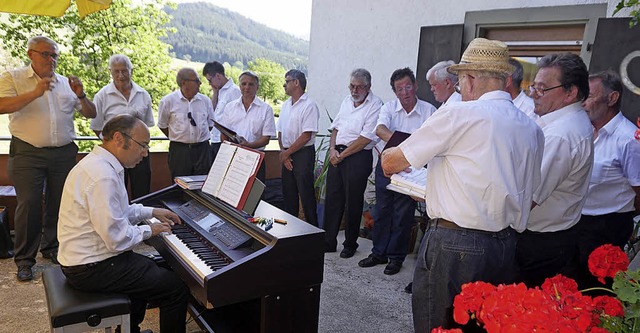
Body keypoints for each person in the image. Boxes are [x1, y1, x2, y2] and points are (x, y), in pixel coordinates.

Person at [381, 38, 543, 332]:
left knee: (438, 324)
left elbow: (390, 163)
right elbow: (531, 193)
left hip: (455, 244)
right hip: (506, 245)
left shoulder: (459, 114)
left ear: (468, 80)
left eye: (458, 82)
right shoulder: (532, 128)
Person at [58, 114, 189, 333]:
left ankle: (130, 330)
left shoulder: (100, 165)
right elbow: (117, 240)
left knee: (153, 268)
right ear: (119, 139)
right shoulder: (102, 176)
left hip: (88, 260)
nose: (145, 153)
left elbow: (120, 211)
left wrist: (152, 211)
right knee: (175, 289)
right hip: (91, 267)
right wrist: (150, 229)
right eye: (142, 145)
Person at [0, 36, 97, 282]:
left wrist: (82, 94)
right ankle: (24, 260)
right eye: (46, 54)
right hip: (27, 151)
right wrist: (35, 92)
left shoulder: (66, 83)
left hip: (63, 153)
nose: (51, 60)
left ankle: (52, 247)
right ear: (31, 54)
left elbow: (91, 113)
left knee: (60, 202)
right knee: (29, 203)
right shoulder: (13, 78)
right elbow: (2, 105)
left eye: (54, 55)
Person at [515, 53, 594, 288]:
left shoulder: (561, 134)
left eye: (543, 89)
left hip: (540, 241)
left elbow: (526, 197)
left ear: (571, 92)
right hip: (553, 235)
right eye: (533, 87)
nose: (533, 95)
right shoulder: (562, 122)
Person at [358, 67, 435, 275]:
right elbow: (380, 129)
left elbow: (431, 139)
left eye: (408, 86)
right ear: (394, 92)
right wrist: (405, 149)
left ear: (415, 86)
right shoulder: (389, 108)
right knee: (382, 211)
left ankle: (396, 257)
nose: (405, 92)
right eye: (399, 89)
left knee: (403, 215)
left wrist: (404, 152)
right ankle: (378, 252)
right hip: (388, 166)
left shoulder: (429, 111)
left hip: (412, 170)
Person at [574, 70, 640, 289]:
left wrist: (623, 220)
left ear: (612, 98)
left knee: (595, 291)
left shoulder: (628, 139)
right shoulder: (584, 131)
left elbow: (639, 190)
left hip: (607, 227)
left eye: (589, 97)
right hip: (577, 222)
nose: (583, 103)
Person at [323, 68, 382, 258]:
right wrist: (332, 150)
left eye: (359, 87)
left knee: (353, 201)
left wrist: (343, 155)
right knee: (333, 199)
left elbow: (365, 138)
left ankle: (350, 243)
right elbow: (335, 128)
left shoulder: (375, 104)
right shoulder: (346, 101)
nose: (354, 91)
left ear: (368, 87)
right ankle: (329, 241)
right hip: (338, 155)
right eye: (352, 86)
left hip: (357, 157)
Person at [92, 54, 155, 200]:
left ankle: (144, 222)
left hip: (140, 152)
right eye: (116, 71)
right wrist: (113, 147)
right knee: (115, 194)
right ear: (110, 72)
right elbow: (96, 127)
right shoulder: (102, 96)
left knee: (143, 192)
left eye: (124, 71)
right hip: (115, 155)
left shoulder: (143, 95)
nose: (121, 75)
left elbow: (147, 125)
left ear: (131, 70)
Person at [217, 71, 276, 183]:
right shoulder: (230, 107)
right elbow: (223, 134)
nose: (247, 87)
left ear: (257, 87)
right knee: (231, 194)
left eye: (251, 84)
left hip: (255, 158)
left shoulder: (266, 109)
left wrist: (249, 146)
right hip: (233, 157)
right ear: (239, 86)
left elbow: (266, 139)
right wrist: (229, 150)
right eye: (243, 84)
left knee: (254, 196)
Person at [277, 69, 319, 226]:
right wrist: (284, 152)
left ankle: (312, 232)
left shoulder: (309, 106)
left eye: (287, 81)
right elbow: (280, 131)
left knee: (306, 194)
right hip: (287, 152)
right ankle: (291, 232)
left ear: (296, 83)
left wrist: (287, 153)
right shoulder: (286, 105)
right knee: (289, 195)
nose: (284, 85)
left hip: (303, 154)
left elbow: (306, 135)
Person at [158, 68, 214, 179]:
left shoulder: (205, 101)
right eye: (197, 81)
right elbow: (162, 125)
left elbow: (210, 125)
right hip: (179, 152)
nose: (200, 83)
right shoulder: (168, 101)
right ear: (184, 82)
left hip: (202, 150)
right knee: (179, 187)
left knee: (202, 186)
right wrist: (180, 137)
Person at [203, 61, 241, 161]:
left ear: (218, 76)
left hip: (225, 141)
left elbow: (237, 118)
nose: (209, 83)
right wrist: (215, 93)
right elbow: (211, 112)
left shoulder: (234, 91)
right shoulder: (219, 91)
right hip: (215, 139)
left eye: (210, 80)